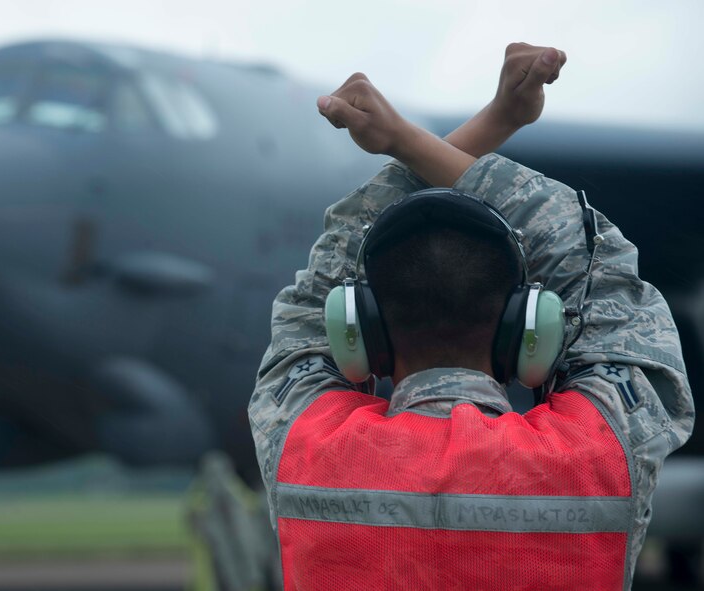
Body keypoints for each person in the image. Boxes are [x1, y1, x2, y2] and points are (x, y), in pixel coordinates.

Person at [248, 43, 694, 590]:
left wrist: (476, 125)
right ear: (526, 330)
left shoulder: (303, 447)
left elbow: (320, 285)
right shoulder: (600, 453)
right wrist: (415, 139)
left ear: (361, 331)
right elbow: (594, 262)